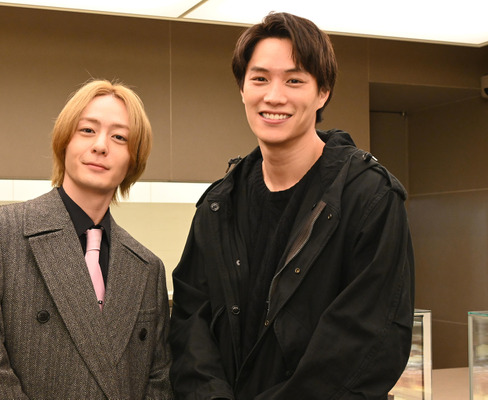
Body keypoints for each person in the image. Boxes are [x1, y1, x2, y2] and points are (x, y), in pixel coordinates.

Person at [169, 12, 415, 399]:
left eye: (294, 80)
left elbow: (367, 345)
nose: (274, 96)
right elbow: (190, 324)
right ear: (242, 89)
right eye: (260, 78)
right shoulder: (219, 205)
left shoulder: (370, 198)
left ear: (323, 92)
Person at [0, 79, 173, 399]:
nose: (101, 146)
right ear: (64, 141)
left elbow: (159, 379)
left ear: (133, 160)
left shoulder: (148, 267)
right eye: (87, 130)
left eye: (119, 137)